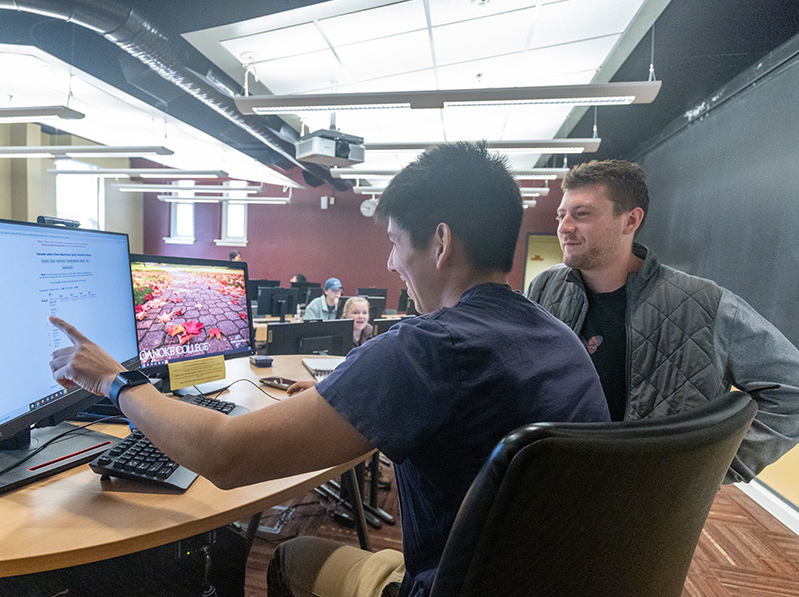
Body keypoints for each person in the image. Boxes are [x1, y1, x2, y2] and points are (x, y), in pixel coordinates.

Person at [48, 141, 609, 597]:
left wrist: (113, 380)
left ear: (440, 242)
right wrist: (345, 404)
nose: (390, 263)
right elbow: (470, 439)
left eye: (393, 243)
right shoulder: (554, 335)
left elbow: (223, 454)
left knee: (291, 557)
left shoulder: (428, 349)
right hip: (550, 580)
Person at [526, 159, 799, 483]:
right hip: (553, 483)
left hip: (647, 501)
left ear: (630, 220)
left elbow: (792, 389)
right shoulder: (544, 288)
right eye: (562, 215)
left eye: (582, 214)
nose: (564, 226)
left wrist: (713, 464)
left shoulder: (703, 304)